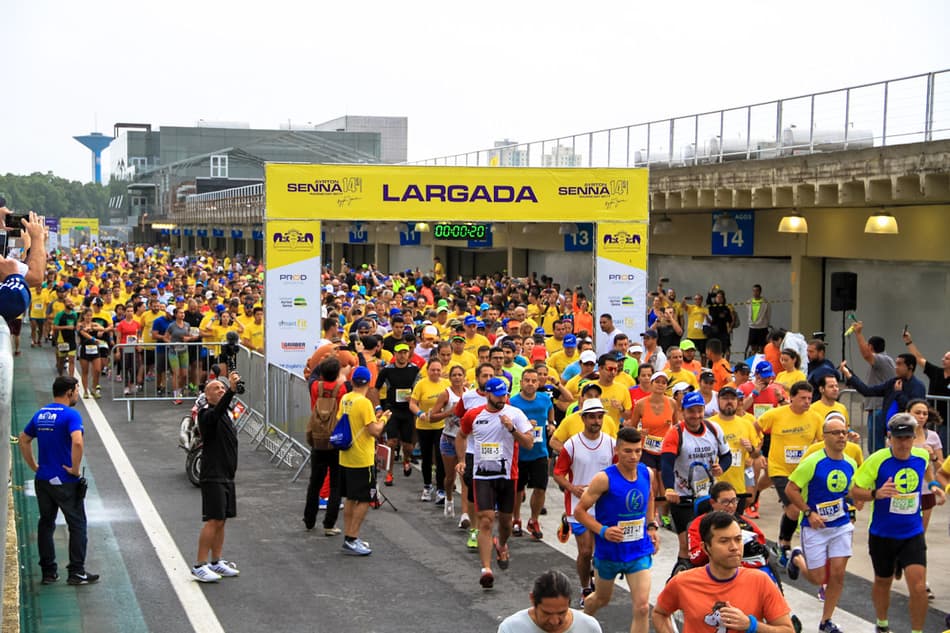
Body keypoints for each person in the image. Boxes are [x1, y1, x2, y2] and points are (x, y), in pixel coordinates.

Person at [851, 413, 945, 633]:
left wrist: (933, 486)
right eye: (898, 438)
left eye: (907, 438)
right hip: (883, 533)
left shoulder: (921, 456)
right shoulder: (877, 459)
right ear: (889, 438)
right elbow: (854, 491)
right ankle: (882, 624)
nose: (903, 443)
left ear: (914, 438)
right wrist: (876, 493)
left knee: (919, 587)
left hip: (912, 533)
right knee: (883, 582)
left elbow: (927, 473)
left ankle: (917, 631)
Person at [654, 512, 795, 633]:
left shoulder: (760, 581)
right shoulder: (682, 582)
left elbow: (787, 630)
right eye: (724, 541)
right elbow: (659, 613)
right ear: (705, 547)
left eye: (738, 539)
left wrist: (751, 625)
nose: (734, 547)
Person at [574, 427, 657, 633]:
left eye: (638, 451)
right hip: (609, 553)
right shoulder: (604, 479)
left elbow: (651, 498)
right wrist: (603, 531)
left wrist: (652, 526)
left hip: (638, 551)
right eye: (628, 451)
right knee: (601, 599)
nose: (634, 456)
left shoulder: (647, 473)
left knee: (642, 606)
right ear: (617, 451)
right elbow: (580, 512)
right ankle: (578, 623)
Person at [17, 376, 99, 586]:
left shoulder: (40, 414)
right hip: (65, 480)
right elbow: (77, 442)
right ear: (70, 391)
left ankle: (48, 572)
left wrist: (34, 466)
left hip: (43, 479)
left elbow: (23, 439)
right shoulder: (71, 415)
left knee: (46, 523)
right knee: (77, 524)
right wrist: (73, 468)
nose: (78, 394)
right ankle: (76, 571)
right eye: (77, 390)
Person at [455, 377, 533, 588]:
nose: (502, 398)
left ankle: (502, 544)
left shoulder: (515, 414)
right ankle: (486, 569)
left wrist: (511, 429)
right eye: (498, 395)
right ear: (487, 394)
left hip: (508, 475)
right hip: (482, 475)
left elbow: (528, 444)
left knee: (506, 522)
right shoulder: (474, 414)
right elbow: (461, 436)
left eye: (505, 394)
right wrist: (462, 460)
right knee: (487, 520)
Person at [784, 414, 858, 633]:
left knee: (837, 574)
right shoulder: (813, 462)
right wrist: (809, 512)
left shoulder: (851, 463)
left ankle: (826, 621)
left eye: (844, 432)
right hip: (815, 526)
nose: (841, 437)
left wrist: (855, 503)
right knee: (818, 578)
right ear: (825, 437)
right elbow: (791, 489)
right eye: (836, 433)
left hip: (841, 525)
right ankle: (797, 558)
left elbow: (851, 492)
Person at [552, 398, 617, 601]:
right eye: (591, 417)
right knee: (586, 551)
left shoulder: (611, 443)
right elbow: (558, 473)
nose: (596, 421)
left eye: (599, 417)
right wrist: (573, 488)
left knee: (600, 553)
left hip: (604, 506)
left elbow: (617, 472)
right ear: (583, 419)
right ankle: (585, 587)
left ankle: (597, 581)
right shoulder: (571, 445)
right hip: (578, 505)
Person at [661, 391, 732, 573]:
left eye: (699, 411)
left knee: (712, 541)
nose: (696, 415)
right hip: (683, 496)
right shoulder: (675, 433)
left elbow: (727, 456)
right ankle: (678, 577)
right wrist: (669, 489)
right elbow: (666, 464)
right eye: (691, 411)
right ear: (683, 412)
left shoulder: (714, 429)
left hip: (708, 495)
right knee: (687, 546)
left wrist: (721, 468)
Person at [755, 381, 823, 561]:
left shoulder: (815, 418)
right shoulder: (776, 414)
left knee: (798, 509)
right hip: (780, 469)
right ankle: (783, 543)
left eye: (809, 398)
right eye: (802, 398)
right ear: (791, 397)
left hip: (802, 471)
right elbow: (756, 427)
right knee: (793, 508)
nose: (807, 402)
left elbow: (823, 441)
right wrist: (758, 450)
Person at [191, 370, 243, 582]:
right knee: (213, 520)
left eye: (223, 388)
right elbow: (218, 410)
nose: (220, 391)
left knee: (222, 520)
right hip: (213, 475)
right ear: (207, 395)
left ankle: (216, 561)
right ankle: (199, 564)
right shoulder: (206, 415)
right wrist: (231, 390)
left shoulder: (225, 414)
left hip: (227, 475)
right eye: (216, 389)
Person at [339, 366, 391, 556]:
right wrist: (384, 419)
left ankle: (349, 535)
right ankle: (352, 538)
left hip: (346, 456)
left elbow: (357, 422)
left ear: (352, 381)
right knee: (364, 499)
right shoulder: (364, 402)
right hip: (362, 457)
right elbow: (375, 431)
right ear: (369, 383)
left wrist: (374, 420)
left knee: (351, 498)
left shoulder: (346, 398)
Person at [840, 353, 926, 454]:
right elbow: (867, 391)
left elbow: (913, 408)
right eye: (896, 364)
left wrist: (898, 393)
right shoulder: (893, 382)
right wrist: (849, 375)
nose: (896, 367)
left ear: (910, 367)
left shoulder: (918, 386)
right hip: (887, 430)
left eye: (899, 364)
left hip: (905, 431)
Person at [303, 357, 346, 535]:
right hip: (335, 439)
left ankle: (309, 519)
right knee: (336, 485)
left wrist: (324, 357)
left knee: (315, 482)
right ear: (337, 374)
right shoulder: (342, 389)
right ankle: (329, 524)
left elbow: (313, 375)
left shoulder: (315, 387)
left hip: (318, 439)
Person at [510, 368, 555, 540]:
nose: (530, 383)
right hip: (519, 453)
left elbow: (550, 409)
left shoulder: (544, 399)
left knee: (540, 488)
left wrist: (551, 423)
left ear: (538, 383)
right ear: (521, 383)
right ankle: (516, 519)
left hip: (540, 451)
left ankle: (534, 520)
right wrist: (525, 425)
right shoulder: (514, 402)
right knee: (517, 490)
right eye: (527, 380)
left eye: (533, 380)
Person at [497, 569, 603, 633]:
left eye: (562, 613)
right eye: (547, 613)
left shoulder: (589, 627)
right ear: (533, 600)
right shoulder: (511, 628)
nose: (554, 621)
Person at [376, 342, 420, 484]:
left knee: (408, 446)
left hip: (407, 410)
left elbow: (419, 389)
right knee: (391, 442)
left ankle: (406, 459)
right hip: (392, 409)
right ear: (395, 355)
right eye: (400, 353)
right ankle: (389, 474)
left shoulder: (414, 370)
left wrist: (413, 397)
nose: (402, 355)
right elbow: (375, 388)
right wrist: (378, 407)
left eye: (405, 353)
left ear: (408, 354)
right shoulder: (387, 370)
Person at [852, 321, 896, 441]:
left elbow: (866, 355)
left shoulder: (882, 359)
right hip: (877, 409)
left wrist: (858, 334)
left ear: (870, 347)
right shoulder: (885, 360)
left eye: (867, 345)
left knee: (875, 446)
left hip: (879, 409)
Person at [902, 327, 950, 428]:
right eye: (944, 357)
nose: (943, 360)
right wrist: (908, 342)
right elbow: (919, 359)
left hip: (947, 420)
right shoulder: (936, 372)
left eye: (947, 358)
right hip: (932, 417)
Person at [745, 284, 771, 355]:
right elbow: (748, 312)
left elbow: (768, 314)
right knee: (753, 347)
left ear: (760, 292)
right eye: (754, 291)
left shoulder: (765, 303)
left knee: (763, 347)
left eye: (757, 291)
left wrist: (765, 323)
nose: (755, 293)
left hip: (762, 327)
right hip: (753, 327)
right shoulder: (749, 302)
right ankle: (754, 362)